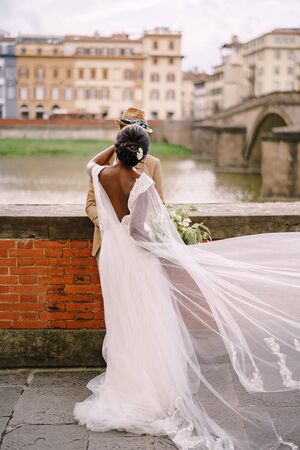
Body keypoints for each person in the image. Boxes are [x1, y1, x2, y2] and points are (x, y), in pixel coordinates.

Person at [74, 124, 300, 450]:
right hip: (136, 258)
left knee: (124, 319)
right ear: (143, 153)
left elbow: (91, 162)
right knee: (149, 319)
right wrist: (165, 248)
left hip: (112, 255)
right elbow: (140, 231)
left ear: (119, 147)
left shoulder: (102, 174)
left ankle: (124, 385)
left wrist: (115, 146)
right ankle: (151, 390)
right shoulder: (142, 182)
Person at [85, 107, 164, 261]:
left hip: (139, 248)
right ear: (120, 131)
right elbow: (90, 204)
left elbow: (159, 205)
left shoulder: (153, 164)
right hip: (106, 242)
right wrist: (105, 223)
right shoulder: (104, 164)